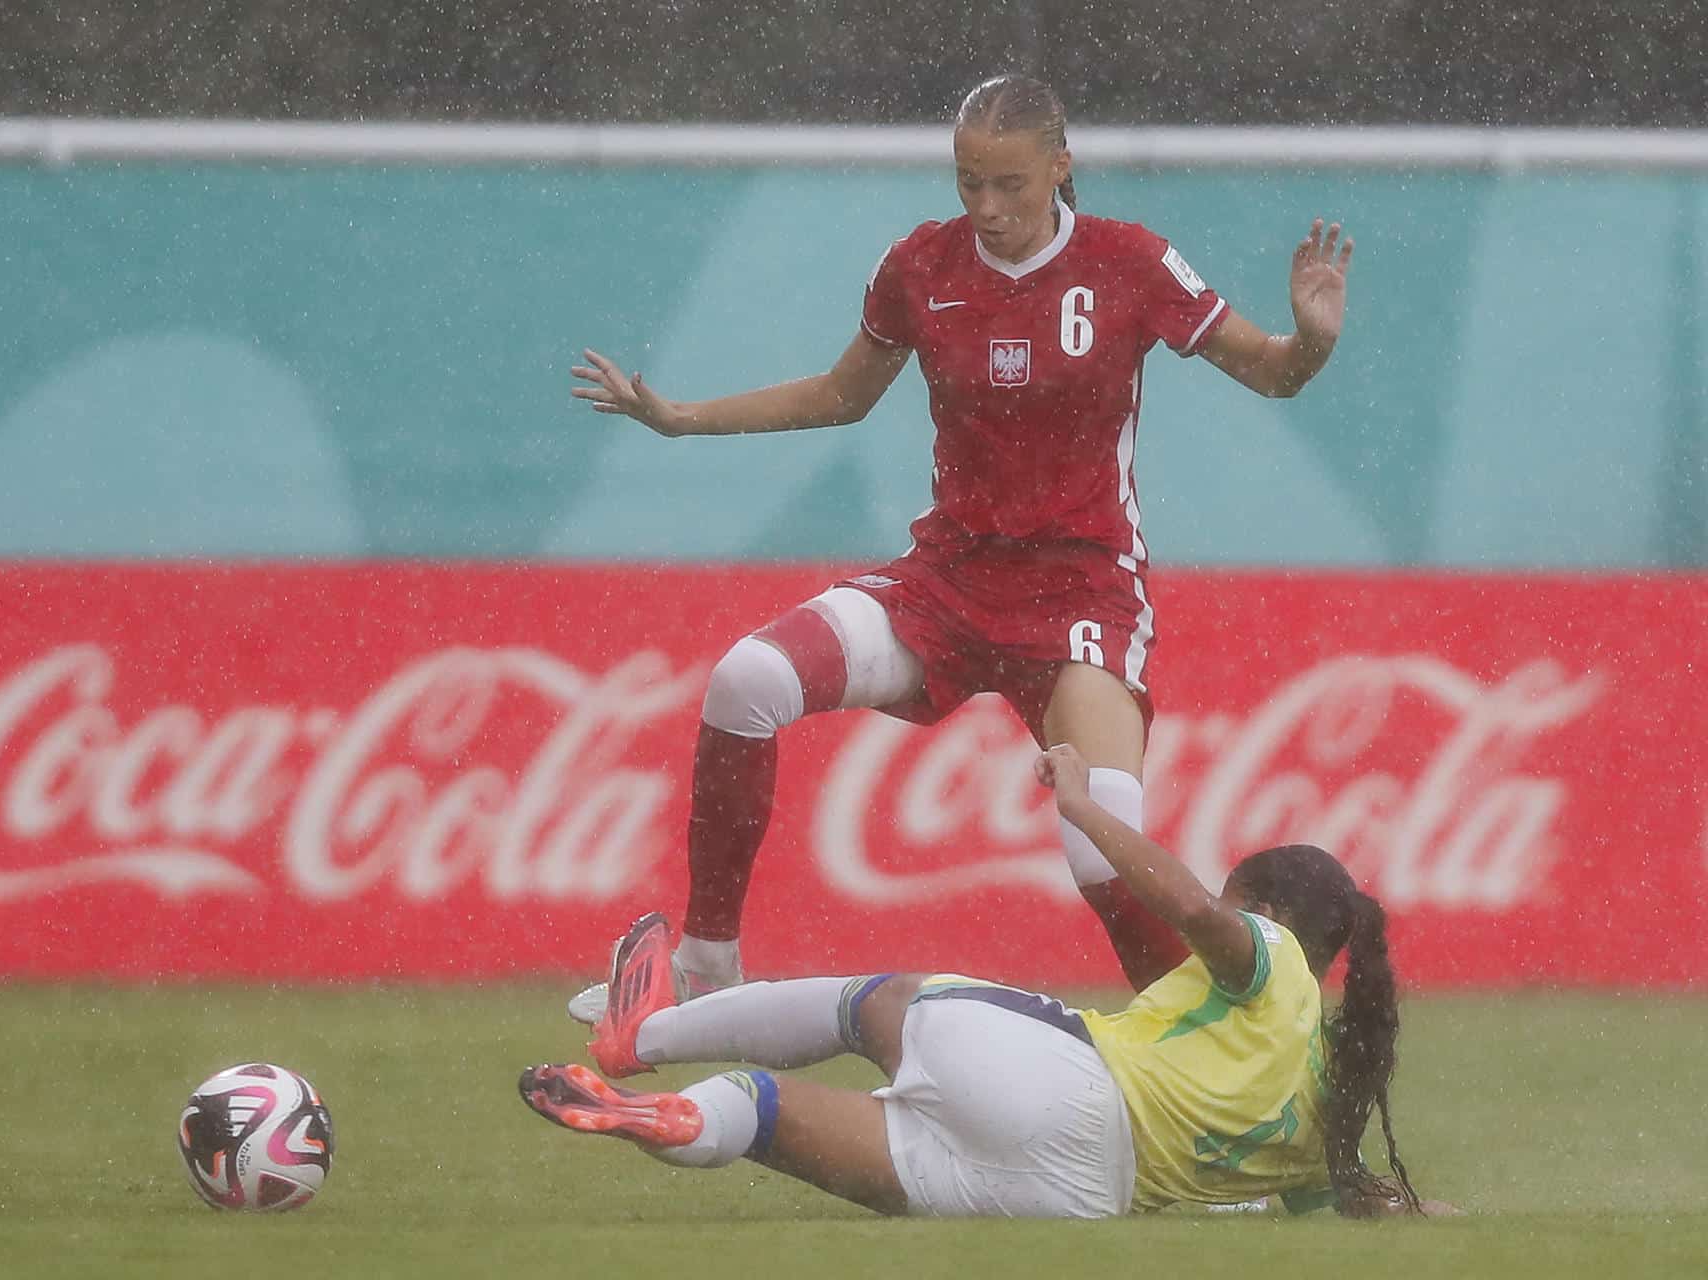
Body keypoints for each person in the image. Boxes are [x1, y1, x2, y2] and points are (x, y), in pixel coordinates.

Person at [568, 73, 1356, 1018]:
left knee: (1099, 845)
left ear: (1060, 167)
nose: (986, 207)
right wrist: (680, 418)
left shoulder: (1129, 262)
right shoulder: (920, 268)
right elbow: (839, 394)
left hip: (1081, 597)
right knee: (747, 680)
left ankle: (1223, 1059)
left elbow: (1275, 374)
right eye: (967, 181)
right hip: (948, 582)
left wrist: (1310, 343)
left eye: (1009, 184)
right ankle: (704, 965)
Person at [521, 744, 1439, 1220]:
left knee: (869, 1001)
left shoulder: (1273, 956)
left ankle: (637, 1039)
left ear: (1270, 913)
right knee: (762, 1114)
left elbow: (1197, 909)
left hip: (1072, 1084)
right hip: (1075, 1201)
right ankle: (672, 1116)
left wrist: (1080, 804)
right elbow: (1358, 1207)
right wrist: (1446, 1213)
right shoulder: (1336, 1105)